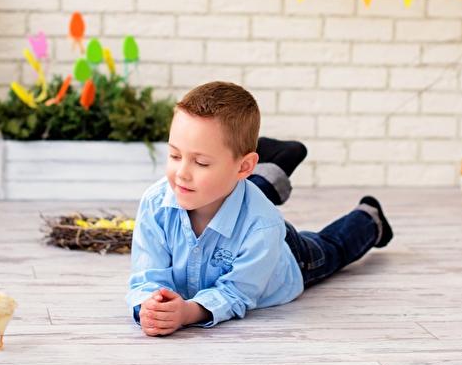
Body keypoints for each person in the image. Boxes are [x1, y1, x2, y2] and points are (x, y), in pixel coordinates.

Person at [125, 81, 393, 336]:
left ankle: (370, 219)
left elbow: (235, 293)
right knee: (222, 188)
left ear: (244, 166)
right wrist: (150, 306)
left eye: (201, 162)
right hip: (231, 199)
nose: (181, 173)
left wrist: (187, 313)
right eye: (174, 155)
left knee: (332, 248)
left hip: (284, 256)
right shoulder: (156, 202)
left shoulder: (264, 226)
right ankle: (274, 165)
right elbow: (146, 276)